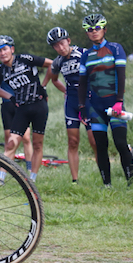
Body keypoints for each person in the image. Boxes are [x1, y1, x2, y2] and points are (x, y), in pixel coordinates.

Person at [77, 14, 133, 186]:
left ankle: (131, 182)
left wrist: (119, 100)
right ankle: (107, 185)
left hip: (114, 103)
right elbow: (82, 83)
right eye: (90, 30)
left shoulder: (115, 48)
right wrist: (81, 107)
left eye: (97, 28)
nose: (94, 32)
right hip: (95, 107)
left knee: (120, 143)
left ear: (104, 30)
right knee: (100, 146)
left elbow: (121, 76)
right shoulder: (86, 55)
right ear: (87, 33)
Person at [0, 35, 53, 183]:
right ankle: (1, 178)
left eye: (5, 49)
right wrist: (11, 97)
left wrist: (43, 85)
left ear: (12, 49)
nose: (2, 53)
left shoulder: (25, 59)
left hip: (39, 105)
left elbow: (52, 64)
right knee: (11, 143)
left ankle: (33, 180)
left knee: (37, 143)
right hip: (22, 109)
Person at [41, 27, 97, 183]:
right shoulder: (58, 61)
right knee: (73, 142)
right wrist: (61, 89)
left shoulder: (84, 53)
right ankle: (75, 180)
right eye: (56, 46)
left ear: (69, 41)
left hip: (89, 101)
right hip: (71, 102)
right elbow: (53, 78)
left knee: (94, 141)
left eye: (62, 43)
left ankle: (104, 177)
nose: (60, 48)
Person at [0, 63, 33, 172]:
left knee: (26, 137)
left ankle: (30, 168)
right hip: (7, 105)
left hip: (21, 104)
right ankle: (8, 168)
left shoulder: (20, 65)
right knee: (8, 139)